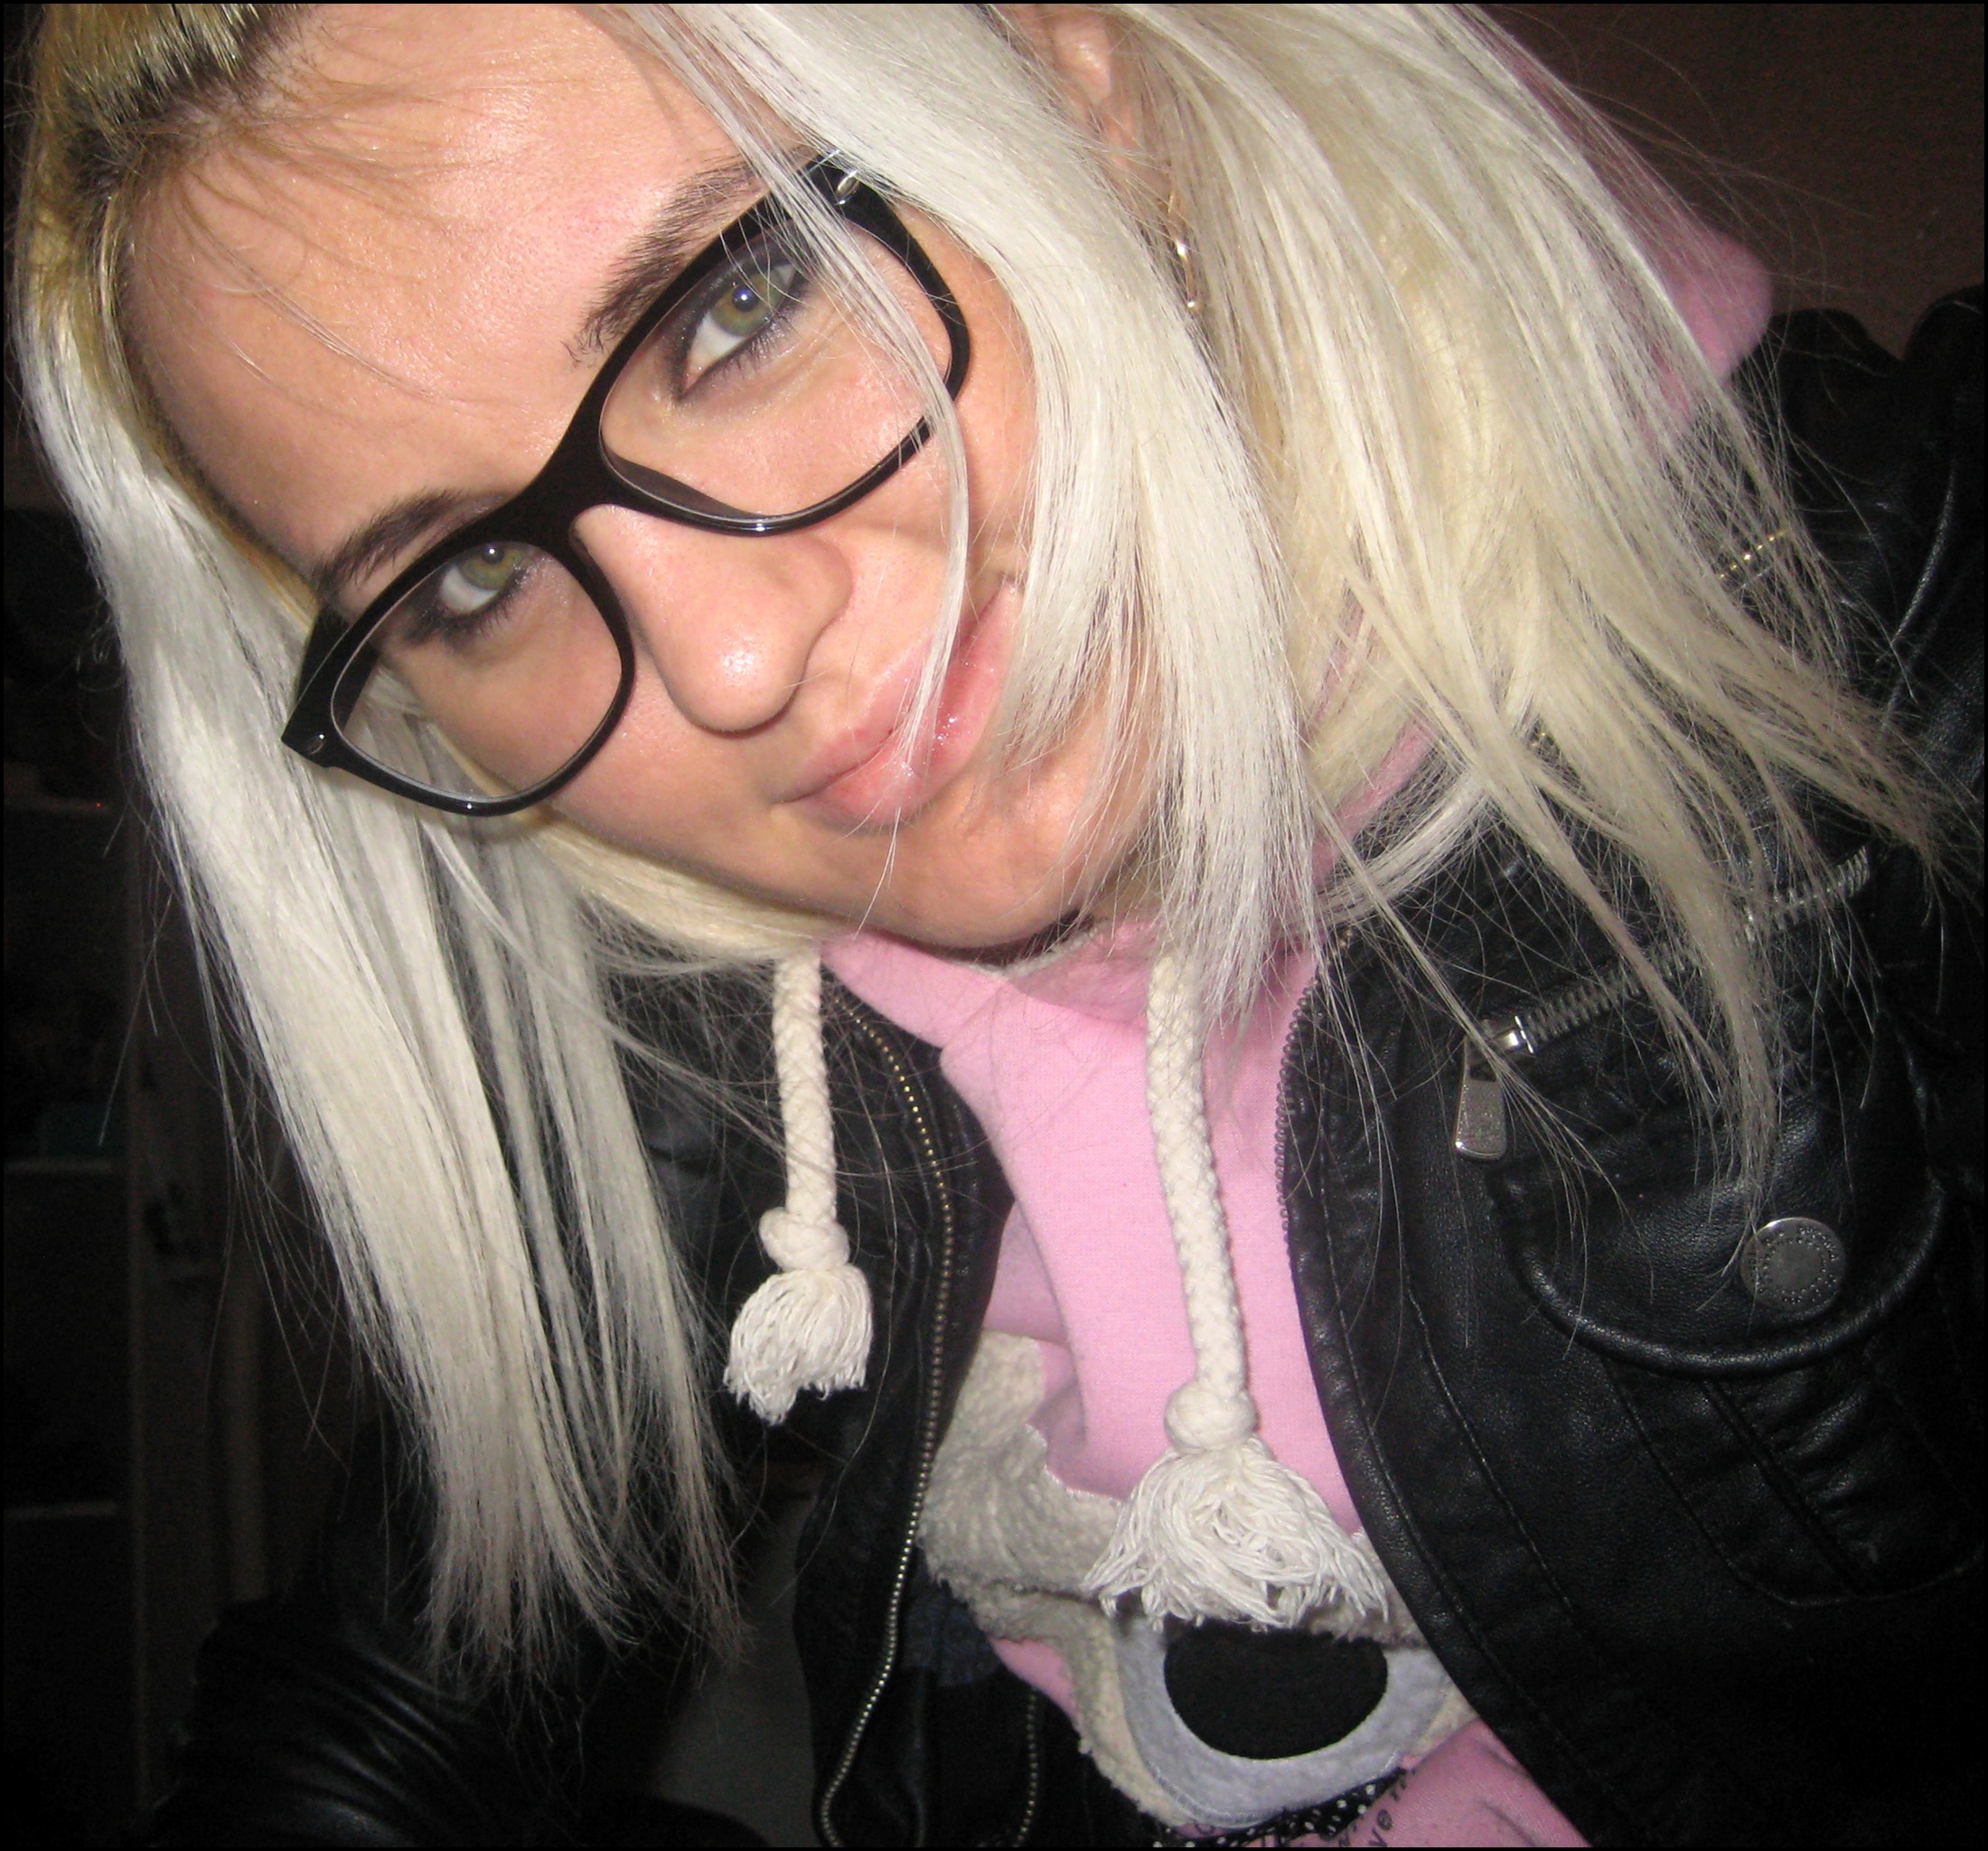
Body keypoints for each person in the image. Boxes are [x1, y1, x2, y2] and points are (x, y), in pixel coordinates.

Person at [14, 5, 1979, 1844]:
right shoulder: (723, 1008)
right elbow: (396, 1699)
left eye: (744, 300)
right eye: (469, 579)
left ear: (1071, 72)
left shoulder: (1895, 621)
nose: (722, 663)